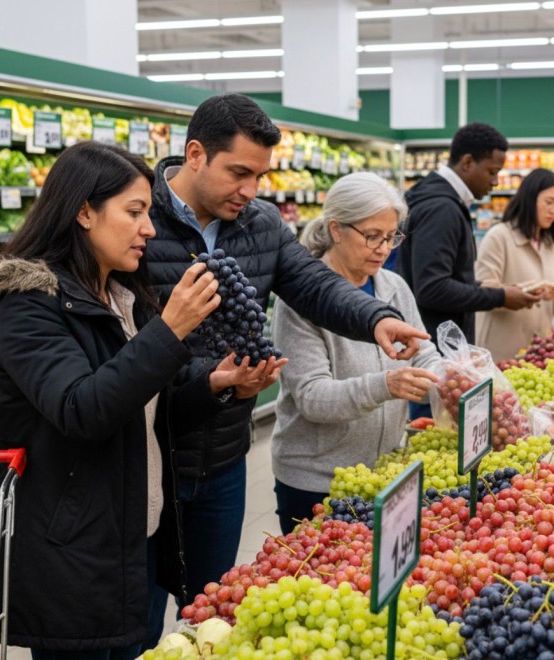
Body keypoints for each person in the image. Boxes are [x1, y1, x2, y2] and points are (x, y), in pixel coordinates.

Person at [144, 93, 429, 630]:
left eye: (260, 176)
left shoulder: (260, 222)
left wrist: (375, 318)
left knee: (210, 616)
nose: (250, 191)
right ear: (196, 154)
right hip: (148, 457)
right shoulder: (138, 219)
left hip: (223, 455)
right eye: (239, 173)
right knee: (136, 626)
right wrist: (208, 380)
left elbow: (314, 284)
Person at [0, 142, 226, 660]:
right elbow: (82, 409)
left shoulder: (121, 297)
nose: (149, 230)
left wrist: (216, 386)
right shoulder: (26, 304)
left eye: (149, 214)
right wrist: (168, 332)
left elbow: (141, 416)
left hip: (135, 539)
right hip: (74, 555)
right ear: (84, 211)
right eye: (134, 212)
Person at [270, 173, 442, 534]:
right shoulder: (301, 301)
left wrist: (445, 379)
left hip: (384, 469)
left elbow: (423, 350)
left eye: (391, 237)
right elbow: (312, 397)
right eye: (372, 236)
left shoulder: (393, 287)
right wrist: (386, 385)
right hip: (317, 479)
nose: (383, 249)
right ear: (336, 229)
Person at [396, 122, 540, 417]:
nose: (495, 182)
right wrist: (499, 297)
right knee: (433, 433)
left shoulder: (438, 199)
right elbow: (432, 288)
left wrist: (491, 291)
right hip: (434, 360)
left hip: (433, 353)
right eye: (492, 172)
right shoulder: (442, 209)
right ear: (467, 162)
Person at [475, 168, 554, 362]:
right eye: (549, 202)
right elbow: (482, 291)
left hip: (540, 350)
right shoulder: (499, 237)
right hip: (502, 348)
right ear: (530, 199)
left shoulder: (552, 245)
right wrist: (521, 293)